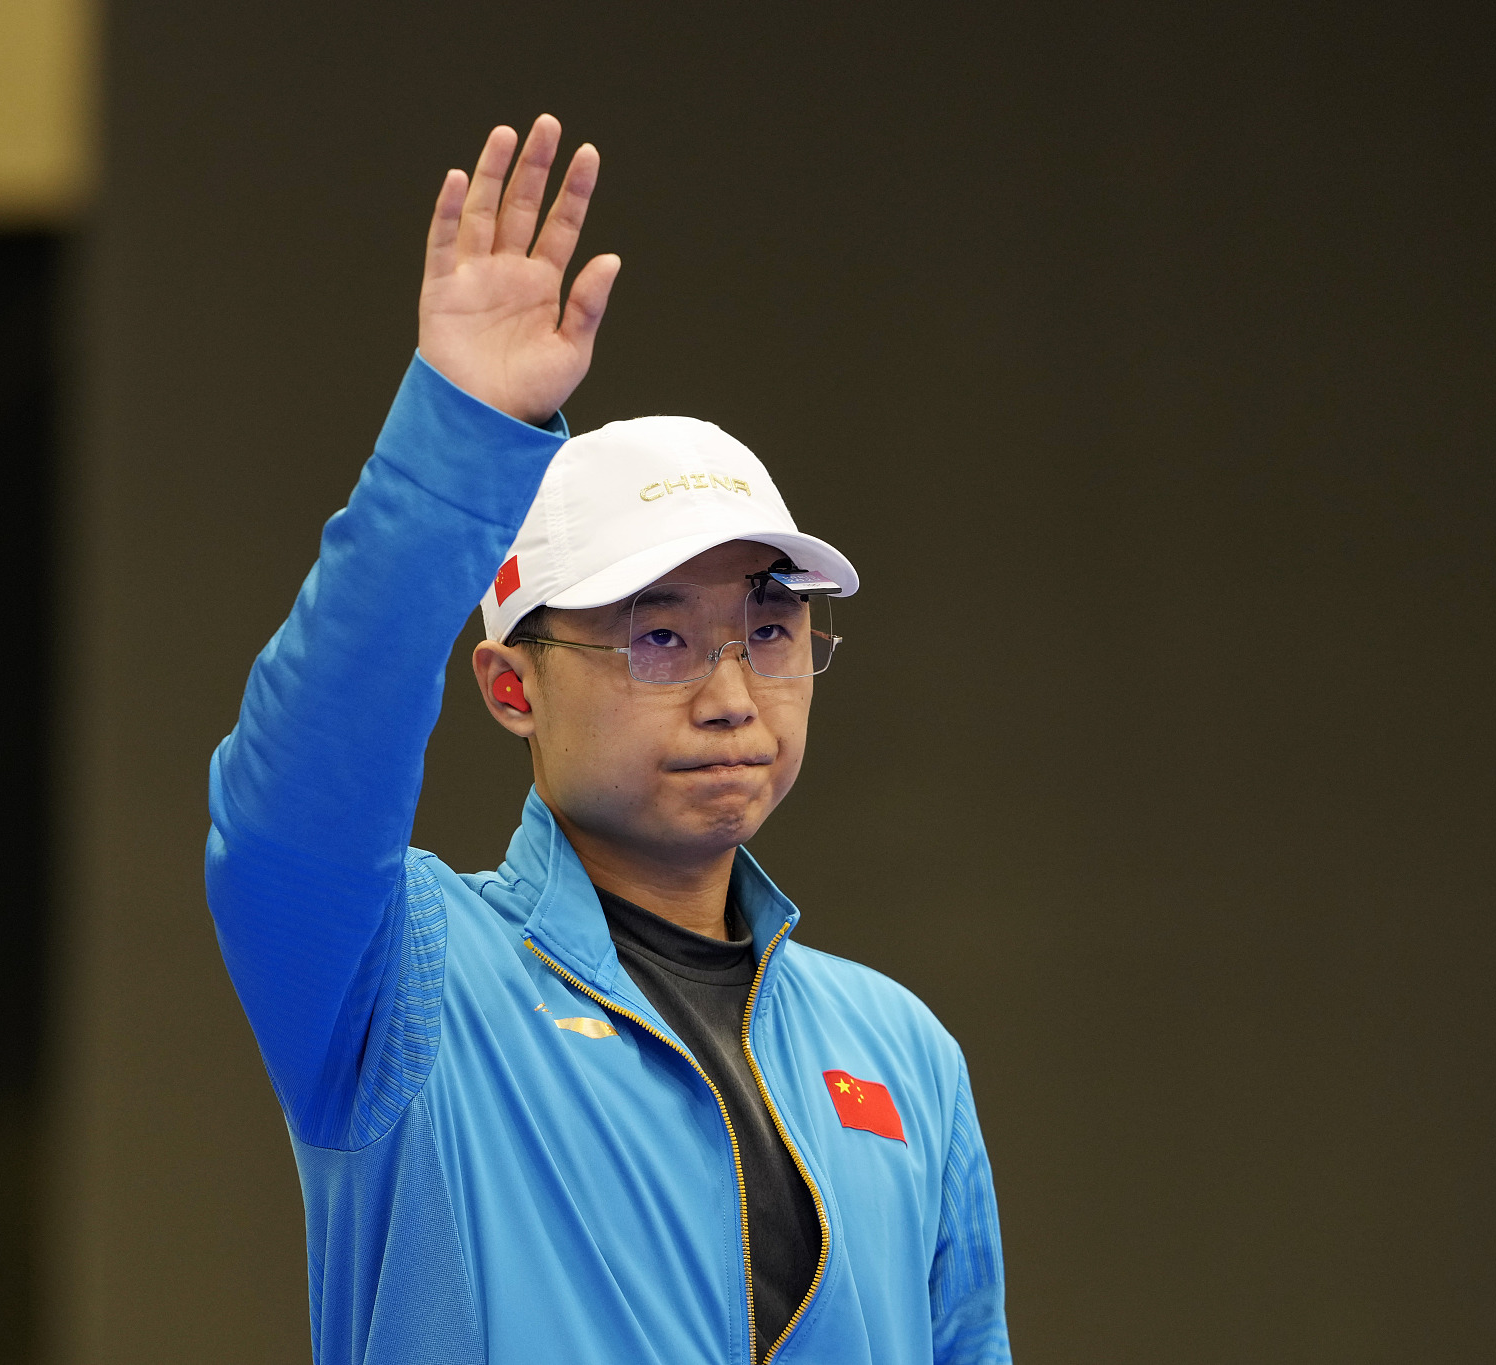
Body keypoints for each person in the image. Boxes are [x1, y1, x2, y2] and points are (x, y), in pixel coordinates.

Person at [205, 114, 1009, 1365]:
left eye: (769, 629)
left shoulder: (901, 1052)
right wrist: (456, 436)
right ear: (509, 688)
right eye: (658, 638)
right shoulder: (410, 977)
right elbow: (286, 809)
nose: (733, 695)